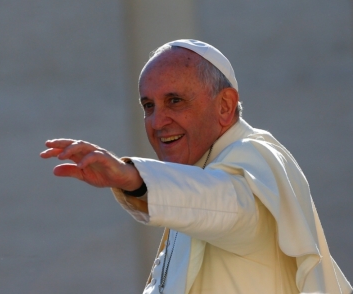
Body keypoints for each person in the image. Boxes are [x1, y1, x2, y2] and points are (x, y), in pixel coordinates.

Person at [40, 39, 352, 293]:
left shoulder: (256, 157)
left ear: (225, 106)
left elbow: (227, 205)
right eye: (149, 106)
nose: (158, 122)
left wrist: (135, 179)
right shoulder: (198, 173)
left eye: (175, 101)